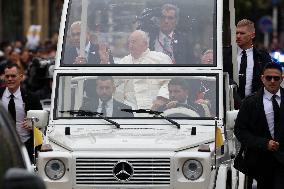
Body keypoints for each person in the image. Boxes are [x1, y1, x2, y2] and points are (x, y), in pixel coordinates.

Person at [234, 62, 284, 189]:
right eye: (268, 78)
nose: (272, 81)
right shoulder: (250, 102)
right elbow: (240, 131)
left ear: (282, 79)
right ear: (262, 78)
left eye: (276, 78)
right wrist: (264, 143)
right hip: (261, 161)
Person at [118, 30, 172, 110]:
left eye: (133, 42)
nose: (130, 45)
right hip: (129, 112)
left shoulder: (160, 59)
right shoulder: (123, 62)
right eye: (129, 43)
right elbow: (112, 84)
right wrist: (104, 64)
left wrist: (161, 99)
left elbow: (170, 81)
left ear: (145, 44)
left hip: (154, 109)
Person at [0, 62, 42, 162]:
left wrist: (33, 125)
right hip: (3, 147)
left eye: (13, 76)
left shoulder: (31, 97)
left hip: (26, 146)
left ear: (21, 77)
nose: (10, 79)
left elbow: (41, 121)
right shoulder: (0, 96)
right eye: (7, 76)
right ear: (3, 78)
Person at [235, 19, 271, 99]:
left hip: (254, 106)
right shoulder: (226, 55)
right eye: (237, 33)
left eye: (242, 33)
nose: (238, 36)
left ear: (252, 35)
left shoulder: (262, 57)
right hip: (228, 106)